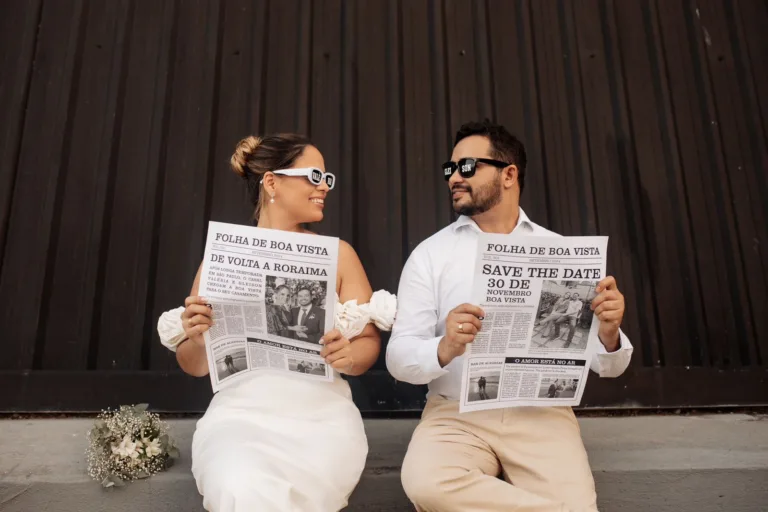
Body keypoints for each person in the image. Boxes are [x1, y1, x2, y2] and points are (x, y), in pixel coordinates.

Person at [387, 120, 634, 511]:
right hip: (455, 414)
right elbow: (398, 358)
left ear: (509, 174)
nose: (455, 178)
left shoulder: (559, 249)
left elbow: (611, 367)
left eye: (468, 167)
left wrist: (610, 331)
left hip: (541, 415)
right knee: (428, 483)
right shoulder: (430, 254)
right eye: (450, 169)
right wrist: (444, 347)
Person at [155, 133, 397, 512]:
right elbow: (194, 365)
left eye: (327, 178)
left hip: (322, 422)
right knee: (239, 485)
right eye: (314, 175)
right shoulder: (221, 258)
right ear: (272, 182)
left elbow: (368, 343)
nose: (324, 187)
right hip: (240, 419)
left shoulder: (339, 255)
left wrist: (348, 357)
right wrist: (198, 338)